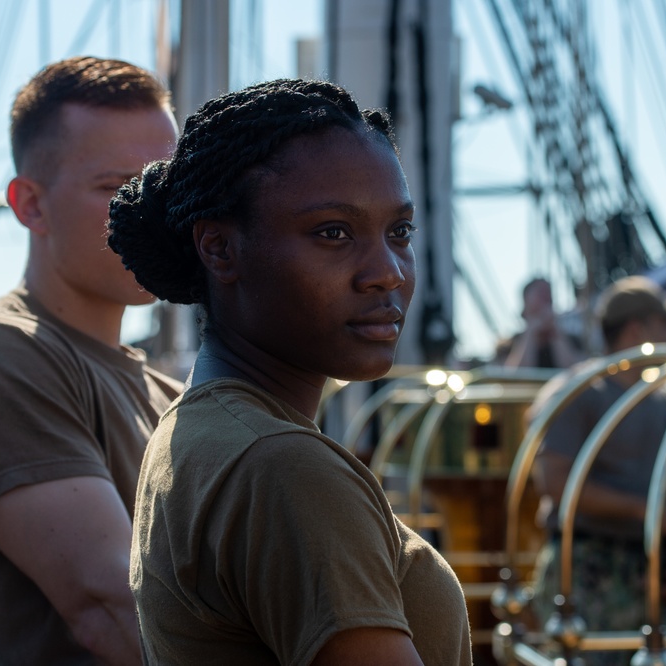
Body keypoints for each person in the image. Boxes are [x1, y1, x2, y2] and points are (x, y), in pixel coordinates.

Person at [108, 78, 472, 665]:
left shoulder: (198, 434)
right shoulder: (282, 466)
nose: (387, 272)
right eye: (333, 233)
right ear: (220, 248)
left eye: (399, 232)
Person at [0, 57, 181, 664]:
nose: (153, 213)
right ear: (30, 204)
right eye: (116, 188)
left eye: (169, 187)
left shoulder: (171, 394)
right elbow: (116, 610)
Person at [530, 275, 666, 665]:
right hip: (586, 570)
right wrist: (650, 511)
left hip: (655, 569)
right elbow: (554, 482)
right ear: (637, 329)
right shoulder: (579, 392)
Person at [493, 277, 581, 369]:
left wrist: (556, 334)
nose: (546, 299)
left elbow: (576, 373)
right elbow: (514, 376)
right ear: (525, 305)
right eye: (540, 295)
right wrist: (531, 333)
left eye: (548, 295)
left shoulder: (572, 341)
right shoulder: (507, 346)